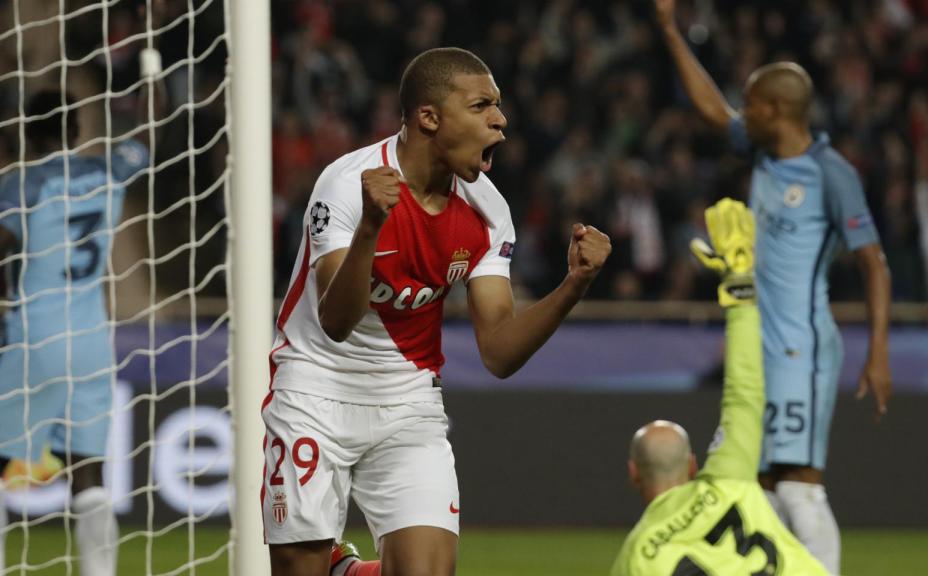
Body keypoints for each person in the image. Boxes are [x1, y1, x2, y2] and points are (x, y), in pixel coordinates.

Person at [263, 46, 611, 576]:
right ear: (429, 117)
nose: (500, 119)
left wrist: (573, 284)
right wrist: (369, 230)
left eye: (498, 107)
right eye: (481, 106)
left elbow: (497, 352)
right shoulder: (347, 184)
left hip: (407, 400)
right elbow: (335, 323)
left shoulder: (488, 212)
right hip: (316, 386)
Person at [653, 1, 892, 572]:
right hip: (759, 345)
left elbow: (875, 264)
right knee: (756, 483)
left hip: (800, 348)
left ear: (777, 109)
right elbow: (712, 109)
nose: (743, 111)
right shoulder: (762, 149)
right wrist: (667, 26)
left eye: (753, 102)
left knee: (799, 483)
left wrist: (878, 353)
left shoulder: (831, 173)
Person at [0, 79, 157, 575]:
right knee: (88, 473)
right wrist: (149, 80)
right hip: (91, 342)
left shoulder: (26, 181)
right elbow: (148, 133)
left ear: (27, 131)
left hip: (36, 334)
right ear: (76, 128)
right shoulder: (109, 169)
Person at [611, 198, 828, 575]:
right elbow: (745, 391)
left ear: (633, 473)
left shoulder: (639, 556)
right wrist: (739, 284)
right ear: (693, 464)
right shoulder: (729, 476)